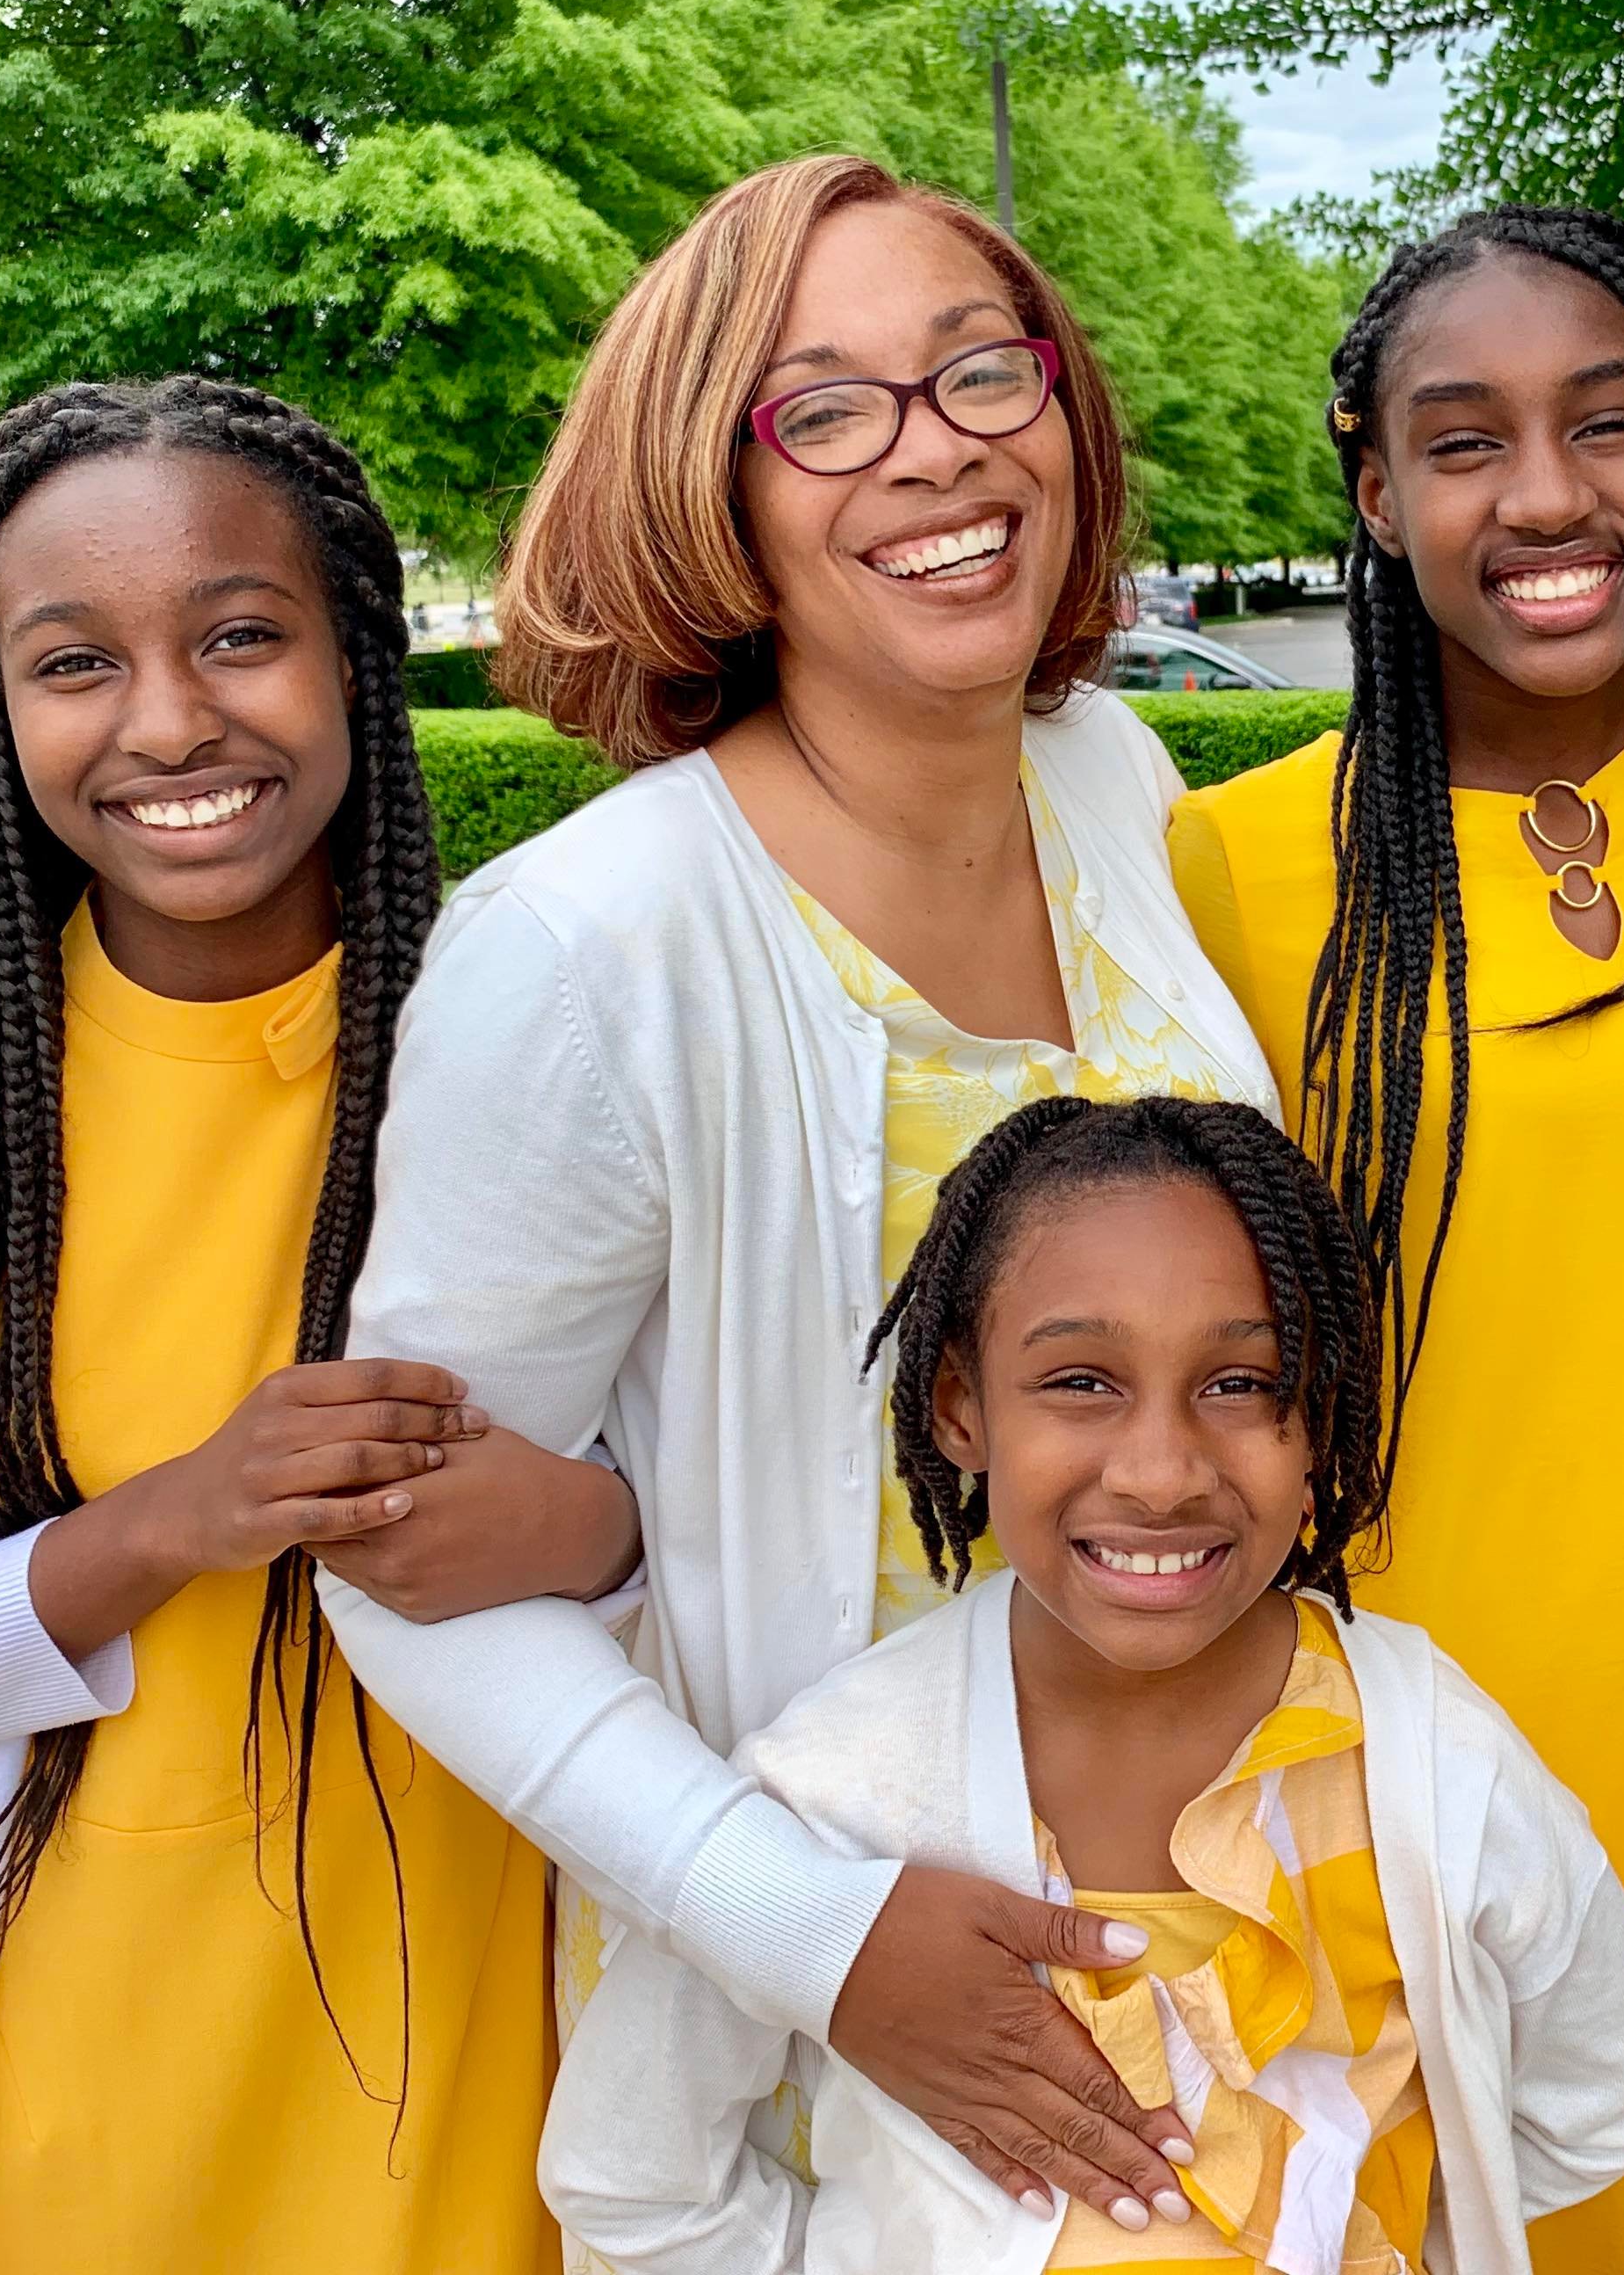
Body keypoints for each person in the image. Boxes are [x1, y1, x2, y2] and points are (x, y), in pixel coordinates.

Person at [313, 156, 1280, 2238]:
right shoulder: (594, 942)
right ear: (711, 496)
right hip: (820, 2039)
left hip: (1212, 1929)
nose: (934, 449)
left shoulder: (1112, 782)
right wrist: (817, 1933)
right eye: (820, 409)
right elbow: (400, 1567)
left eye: (977, 373)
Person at [0, 379, 646, 2275]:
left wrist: (596, 1530)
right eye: (76, 662)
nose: (169, 722)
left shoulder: (566, 1043)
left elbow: (771, 1518)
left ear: (358, 655)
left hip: (510, 2039)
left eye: (243, 633)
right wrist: (171, 1521)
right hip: (72, 2086)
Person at [1168, 207, 1624, 2273]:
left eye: (1609, 424)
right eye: (1463, 442)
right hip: (1408, 1746)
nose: (1546, 496)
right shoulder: (1240, 863)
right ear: (1376, 492)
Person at [541, 1095, 1624, 2273]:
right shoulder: (838, 1785)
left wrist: (1365, 2219)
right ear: (959, 1409)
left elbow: (1610, 2096)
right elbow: (629, 2179)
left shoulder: (1435, 1769)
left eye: (1240, 1383)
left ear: (1320, 1415)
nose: (1159, 1472)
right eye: (1082, 1382)